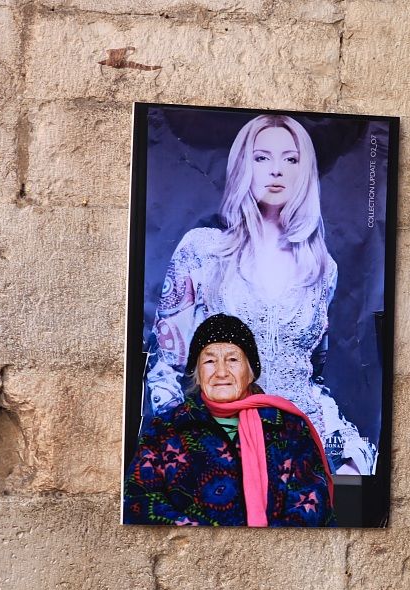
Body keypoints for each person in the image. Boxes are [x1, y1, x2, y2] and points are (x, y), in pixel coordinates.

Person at [144, 113, 375, 475]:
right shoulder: (202, 250)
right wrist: (191, 447)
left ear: (304, 171)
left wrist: (346, 455)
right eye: (262, 157)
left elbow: (310, 376)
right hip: (222, 443)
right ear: (243, 166)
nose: (277, 170)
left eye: (291, 159)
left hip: (304, 445)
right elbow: (165, 370)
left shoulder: (321, 268)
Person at [125, 314, 335, 527]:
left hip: (273, 557)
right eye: (209, 361)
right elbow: (140, 501)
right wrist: (209, 545)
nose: (221, 372)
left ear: (251, 372)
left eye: (233, 359)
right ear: (197, 373)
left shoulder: (288, 428)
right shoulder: (166, 430)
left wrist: (265, 550)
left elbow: (313, 500)